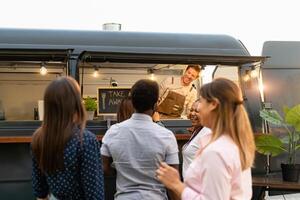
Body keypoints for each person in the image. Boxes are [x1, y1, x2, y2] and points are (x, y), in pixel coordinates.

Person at [156, 78, 255, 200]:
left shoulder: (216, 152)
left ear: (213, 104)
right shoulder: (231, 143)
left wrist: (176, 185)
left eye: (201, 102)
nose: (198, 109)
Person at [101, 79, 179, 200]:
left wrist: (119, 170)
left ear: (133, 102)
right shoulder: (166, 135)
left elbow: (104, 168)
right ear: (155, 105)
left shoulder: (113, 132)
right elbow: (173, 180)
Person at [31, 77, 104, 200]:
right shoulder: (86, 140)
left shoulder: (39, 138)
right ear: (75, 103)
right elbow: (95, 195)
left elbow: (40, 191)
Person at [182, 101, 211, 179]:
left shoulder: (207, 133)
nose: (192, 114)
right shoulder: (198, 130)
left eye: (197, 111)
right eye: (191, 110)